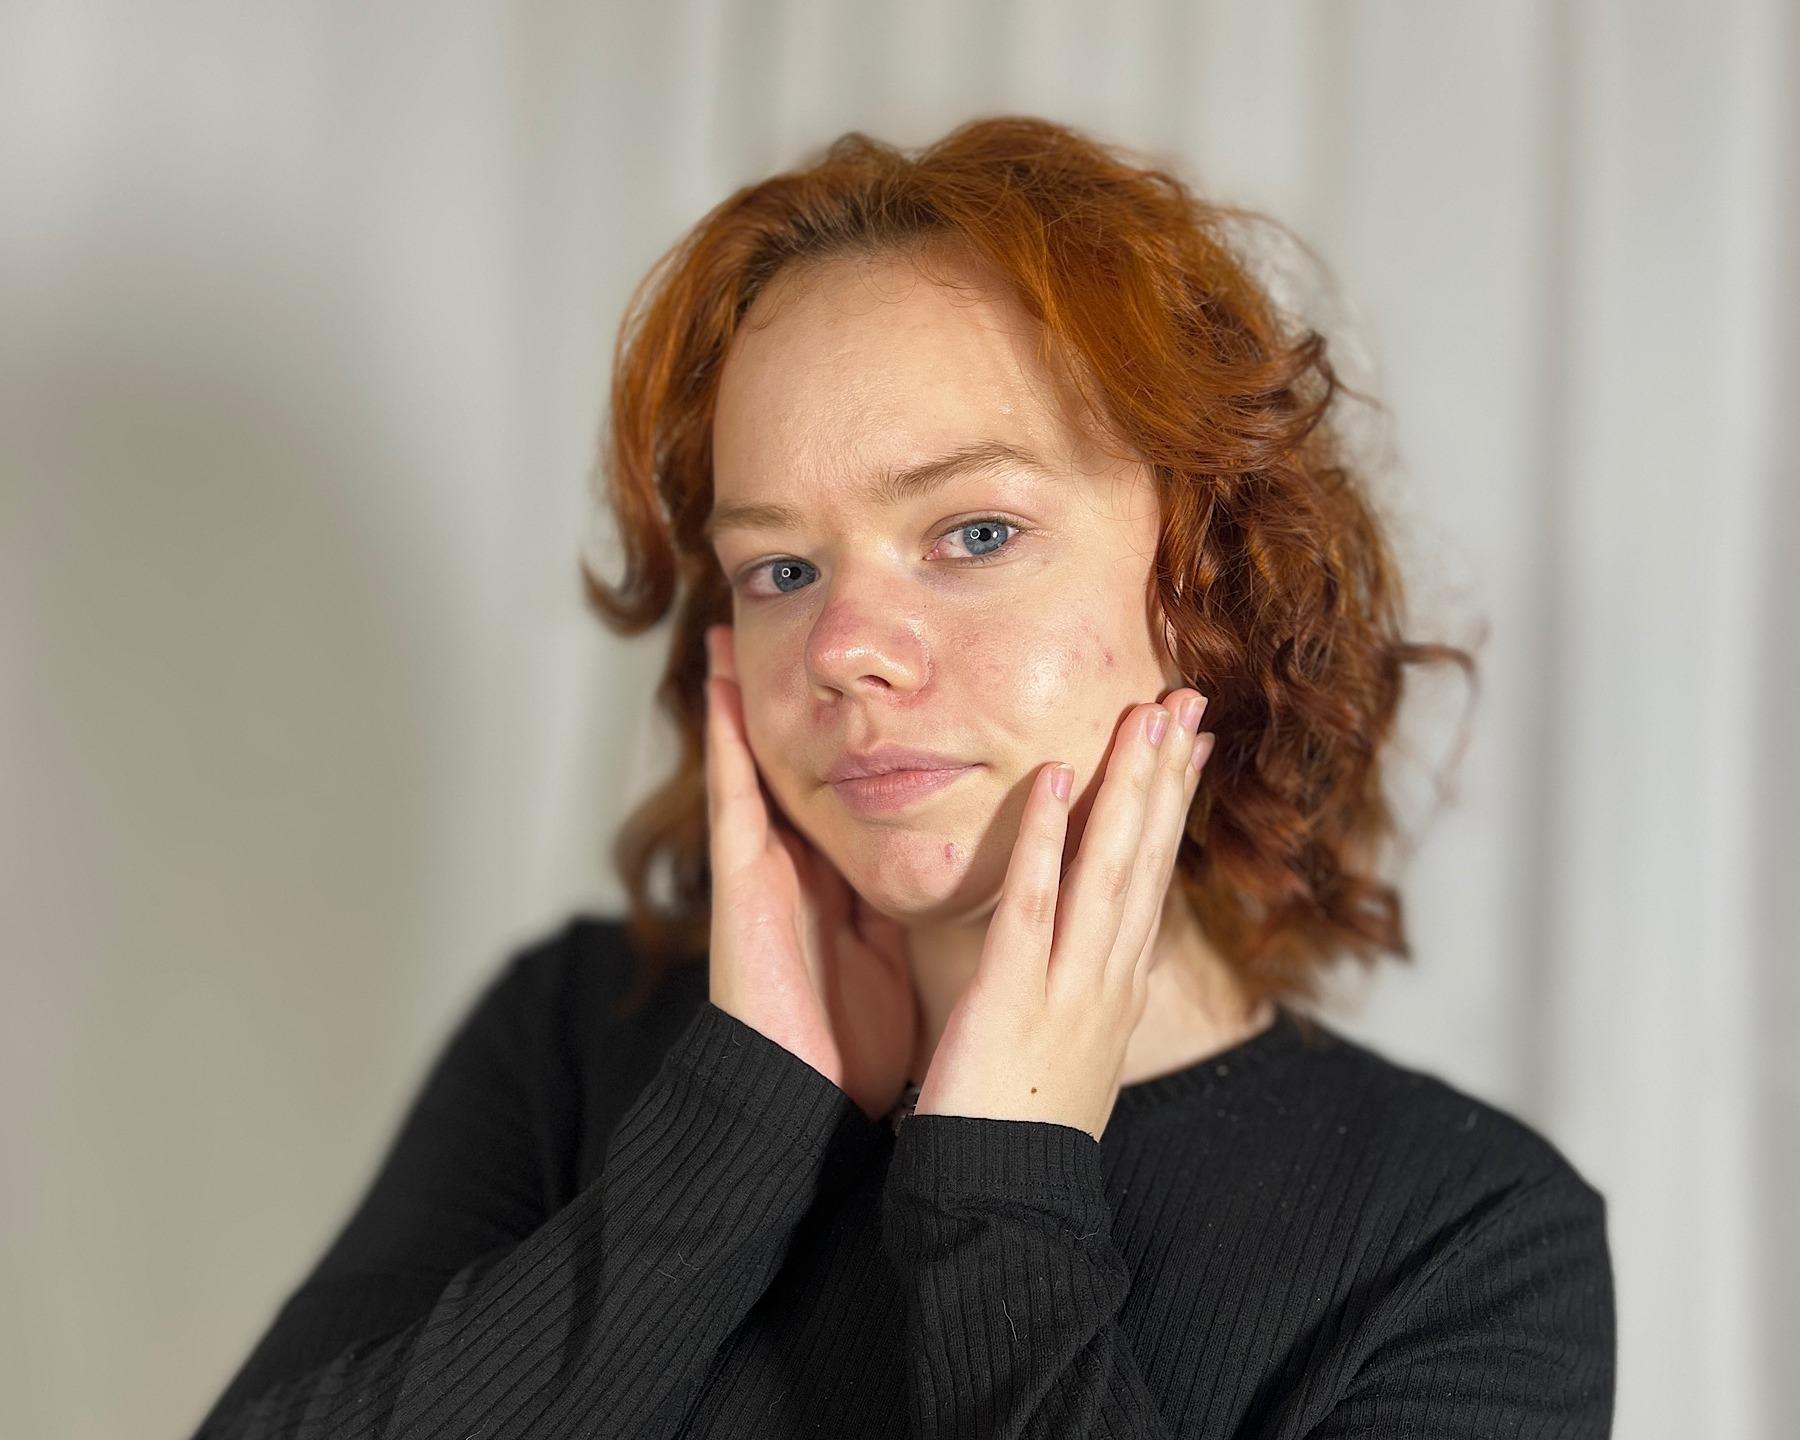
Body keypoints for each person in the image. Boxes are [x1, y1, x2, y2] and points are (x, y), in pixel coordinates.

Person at [193, 115, 1615, 1438]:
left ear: (1211, 577)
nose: (844, 649)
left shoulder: (1463, 1242)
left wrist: (1005, 1193)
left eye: (973, 533)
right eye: (781, 569)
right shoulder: (571, 1036)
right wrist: (737, 1142)